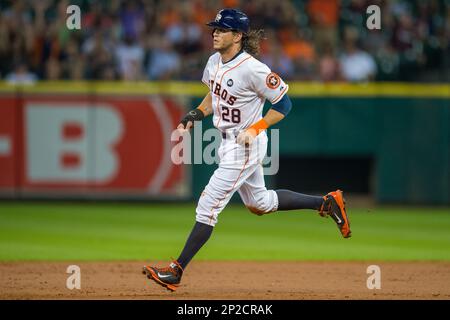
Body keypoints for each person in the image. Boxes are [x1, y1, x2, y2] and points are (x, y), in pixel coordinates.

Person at [143, 9, 351, 292]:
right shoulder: (214, 61)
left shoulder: (253, 69)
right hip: (227, 141)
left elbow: (284, 105)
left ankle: (176, 271)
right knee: (259, 203)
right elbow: (213, 96)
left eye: (222, 29)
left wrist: (256, 128)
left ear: (238, 36)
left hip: (246, 145)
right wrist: (193, 116)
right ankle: (326, 202)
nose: (215, 32)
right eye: (214, 28)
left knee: (208, 206)